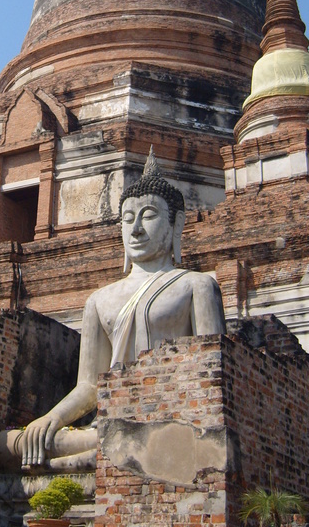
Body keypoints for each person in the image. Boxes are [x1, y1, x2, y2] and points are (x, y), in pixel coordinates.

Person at [18, 149, 226, 470]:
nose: (136, 229)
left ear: (176, 224)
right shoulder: (100, 300)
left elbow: (208, 375)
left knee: (161, 439)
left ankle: (104, 456)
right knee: (11, 445)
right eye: (128, 219)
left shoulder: (196, 286)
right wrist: (51, 418)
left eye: (149, 215)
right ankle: (104, 455)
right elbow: (89, 386)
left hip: (168, 418)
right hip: (109, 421)